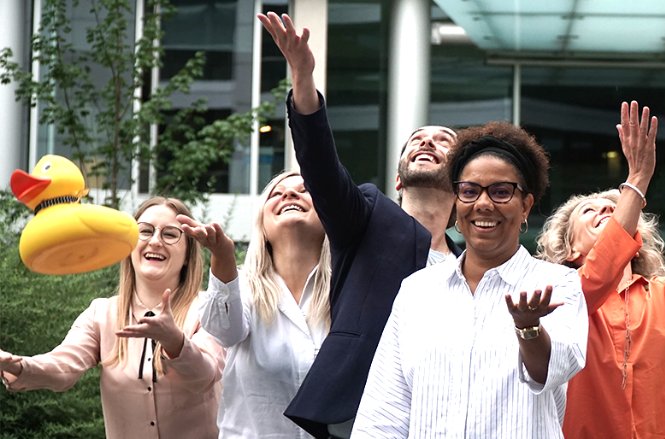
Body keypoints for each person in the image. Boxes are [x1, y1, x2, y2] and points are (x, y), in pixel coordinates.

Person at [257, 12, 462, 438]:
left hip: (445, 412)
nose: (426, 141)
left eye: (444, 140)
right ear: (399, 179)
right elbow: (321, 168)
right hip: (363, 410)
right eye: (417, 139)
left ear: (463, 185)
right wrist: (303, 78)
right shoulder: (368, 216)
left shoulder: (470, 263)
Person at [351, 122, 588, 438]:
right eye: (469, 191)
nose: (484, 204)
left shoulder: (558, 284)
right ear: (456, 201)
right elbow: (384, 412)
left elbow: (555, 367)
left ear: (526, 206)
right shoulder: (417, 291)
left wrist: (529, 330)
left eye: (501, 192)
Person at [535, 58, 665, 439]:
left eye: (614, 207)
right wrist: (636, 181)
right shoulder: (563, 297)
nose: (606, 210)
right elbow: (596, 276)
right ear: (569, 247)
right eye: (592, 210)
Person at [0, 197, 225, 439]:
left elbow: (204, 376)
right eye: (145, 231)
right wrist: (21, 366)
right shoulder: (101, 314)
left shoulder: (209, 308)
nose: (155, 241)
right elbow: (63, 367)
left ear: (189, 254)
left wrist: (175, 341)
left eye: (170, 234)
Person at [183, 171, 330, 438]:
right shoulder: (243, 286)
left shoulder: (347, 289)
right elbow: (223, 331)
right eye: (276, 193)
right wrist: (223, 259)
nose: (289, 194)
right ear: (261, 224)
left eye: (305, 189)